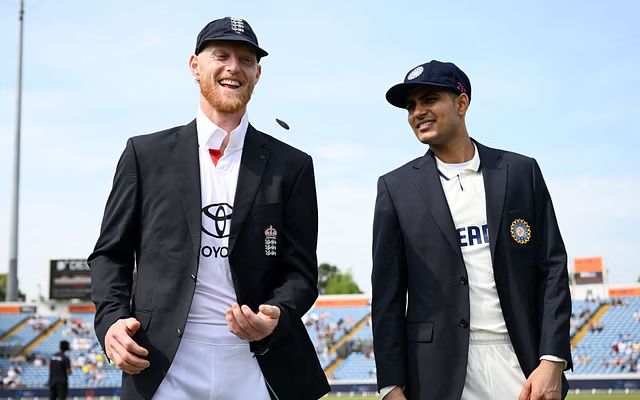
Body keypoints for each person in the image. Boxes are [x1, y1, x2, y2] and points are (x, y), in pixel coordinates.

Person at [88, 16, 329, 400]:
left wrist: (277, 314)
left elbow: (300, 273)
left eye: (246, 60)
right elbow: (109, 255)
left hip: (256, 365)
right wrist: (112, 321)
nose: (234, 67)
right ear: (195, 65)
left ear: (258, 74)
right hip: (161, 363)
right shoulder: (145, 155)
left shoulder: (292, 166)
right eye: (221, 55)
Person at [371, 60, 572, 400]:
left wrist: (552, 359)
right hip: (438, 374)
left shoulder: (521, 172)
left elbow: (552, 269)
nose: (418, 112)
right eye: (411, 106)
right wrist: (391, 387)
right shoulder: (396, 188)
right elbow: (387, 297)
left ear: (461, 103)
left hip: (521, 364)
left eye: (429, 99)